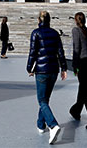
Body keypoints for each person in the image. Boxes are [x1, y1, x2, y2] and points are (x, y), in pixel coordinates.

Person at [26, 11, 68, 145]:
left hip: (42, 71)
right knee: (45, 99)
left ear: (39, 19)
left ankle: (53, 125)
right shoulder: (55, 33)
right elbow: (60, 52)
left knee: (42, 100)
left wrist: (29, 68)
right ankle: (40, 125)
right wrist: (64, 68)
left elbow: (32, 52)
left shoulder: (36, 33)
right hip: (53, 70)